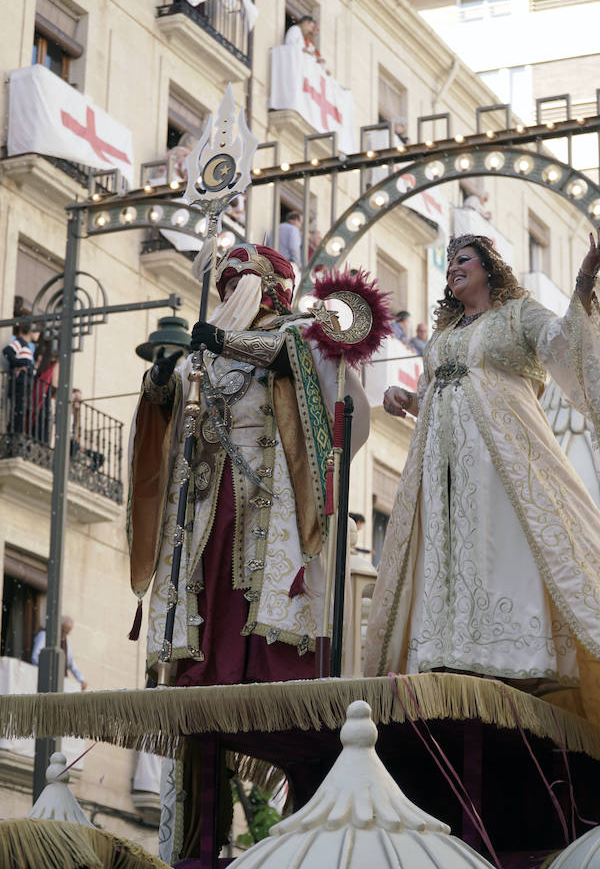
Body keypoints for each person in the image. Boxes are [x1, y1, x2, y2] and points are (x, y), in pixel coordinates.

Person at [364, 231, 600, 722]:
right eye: (449, 261)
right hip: (441, 469)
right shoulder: (444, 336)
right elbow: (433, 396)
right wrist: (408, 401)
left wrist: (584, 279)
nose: (453, 266)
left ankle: (509, 657)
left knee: (497, 546)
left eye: (463, 259)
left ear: (489, 268)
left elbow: (562, 341)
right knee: (445, 549)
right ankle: (449, 652)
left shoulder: (516, 314)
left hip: (502, 465)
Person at [128, 243, 370, 686]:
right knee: (210, 584)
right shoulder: (203, 350)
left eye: (242, 281)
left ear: (271, 288)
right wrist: (160, 385)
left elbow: (293, 359)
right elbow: (174, 409)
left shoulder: (301, 331)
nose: (231, 290)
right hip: (207, 492)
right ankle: (206, 675)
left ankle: (267, 676)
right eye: (227, 284)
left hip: (274, 488)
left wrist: (225, 341)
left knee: (261, 587)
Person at [31, 615, 87, 689]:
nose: (64, 635)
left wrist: (81, 679)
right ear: (58, 627)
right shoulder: (44, 635)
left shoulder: (65, 643)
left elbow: (70, 663)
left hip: (57, 682)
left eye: (67, 633)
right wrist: (44, 671)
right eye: (63, 631)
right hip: (43, 679)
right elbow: (35, 657)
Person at [2, 310, 36, 435]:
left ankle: (17, 433)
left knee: (21, 409)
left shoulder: (26, 345)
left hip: (24, 384)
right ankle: (15, 434)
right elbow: (7, 351)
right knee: (18, 409)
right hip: (19, 383)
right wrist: (19, 364)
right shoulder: (20, 342)